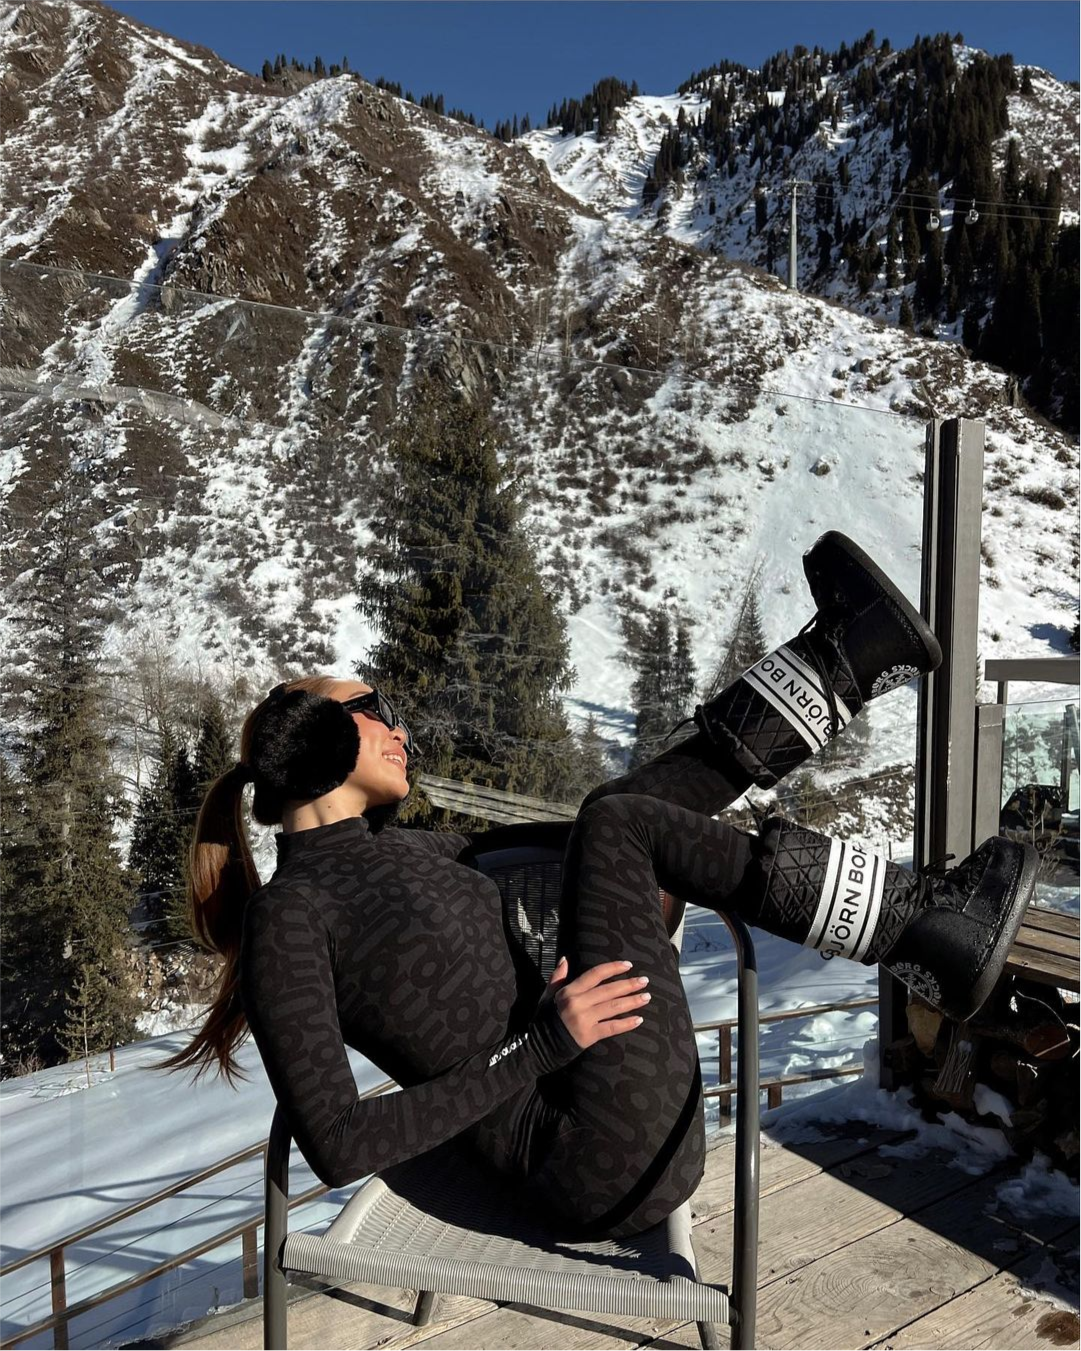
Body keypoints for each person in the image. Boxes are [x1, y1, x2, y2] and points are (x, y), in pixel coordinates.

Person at [158, 532, 1036, 1238]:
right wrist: (540, 1044)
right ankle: (921, 924)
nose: (398, 727)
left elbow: (608, 828)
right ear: (316, 742)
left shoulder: (414, 854)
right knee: (615, 820)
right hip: (588, 1158)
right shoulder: (290, 914)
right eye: (375, 709)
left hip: (614, 1095)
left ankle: (844, 659)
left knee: (612, 813)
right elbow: (339, 1142)